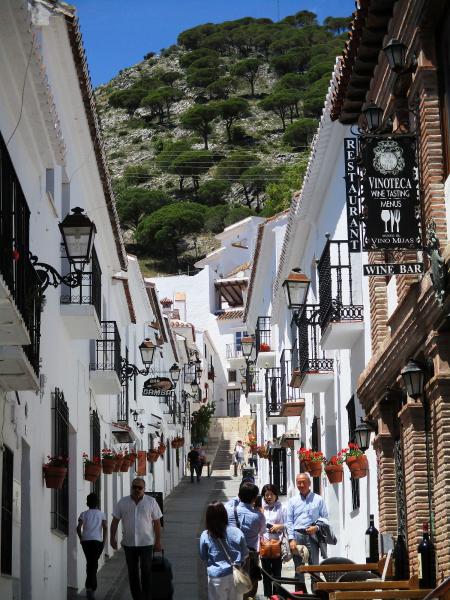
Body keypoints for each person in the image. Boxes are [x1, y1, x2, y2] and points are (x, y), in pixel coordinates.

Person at [110, 477, 163, 600]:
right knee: (132, 573)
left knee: (146, 572)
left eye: (140, 488)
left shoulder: (151, 502)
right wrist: (112, 538)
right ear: (131, 488)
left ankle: (147, 597)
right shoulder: (123, 502)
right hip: (129, 544)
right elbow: (115, 521)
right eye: (134, 487)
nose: (137, 490)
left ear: (144, 489)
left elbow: (157, 523)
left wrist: (158, 542)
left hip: (146, 543)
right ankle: (137, 597)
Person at [286, 473, 329, 592]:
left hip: (312, 536)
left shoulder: (318, 499)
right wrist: (291, 539)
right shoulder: (292, 501)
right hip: (297, 536)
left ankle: (316, 595)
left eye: (303, 482)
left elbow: (325, 518)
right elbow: (289, 522)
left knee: (314, 569)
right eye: (298, 482)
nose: (301, 484)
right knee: (298, 569)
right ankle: (300, 595)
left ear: (309, 483)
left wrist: (317, 528)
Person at [199, 501, 248, 600]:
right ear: (224, 515)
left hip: (216, 577)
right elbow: (245, 554)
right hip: (236, 576)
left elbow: (203, 556)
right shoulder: (237, 532)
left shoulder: (206, 535)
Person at [226, 482, 266, 600]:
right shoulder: (258, 516)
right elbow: (262, 532)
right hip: (251, 556)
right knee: (249, 589)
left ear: (239, 495)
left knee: (233, 588)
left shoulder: (229, 511)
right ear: (254, 498)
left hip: (231, 555)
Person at [77, 493, 107, 600]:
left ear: (88, 502)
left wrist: (81, 538)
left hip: (86, 541)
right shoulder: (101, 514)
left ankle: (90, 588)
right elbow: (105, 527)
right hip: (97, 541)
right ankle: (91, 588)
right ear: (97, 503)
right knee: (93, 564)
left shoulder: (83, 514)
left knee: (90, 563)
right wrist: (104, 541)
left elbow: (78, 528)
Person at [260, 484, 286, 599]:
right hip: (264, 544)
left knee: (277, 573)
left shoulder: (282, 508)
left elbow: (287, 524)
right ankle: (267, 595)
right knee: (266, 573)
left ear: (276, 495)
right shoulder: (261, 508)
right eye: (266, 495)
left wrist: (278, 526)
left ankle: (277, 595)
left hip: (276, 544)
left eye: (271, 494)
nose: (269, 497)